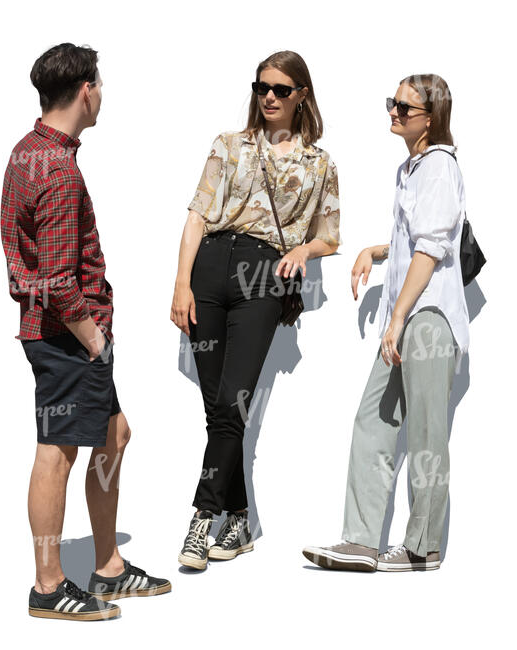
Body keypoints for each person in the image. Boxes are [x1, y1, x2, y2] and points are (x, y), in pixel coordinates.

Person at [0, 43, 170, 620]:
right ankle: (48, 586)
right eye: (100, 84)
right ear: (85, 90)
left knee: (114, 435)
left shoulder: (28, 152)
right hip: (68, 336)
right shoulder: (58, 168)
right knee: (57, 453)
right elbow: (55, 279)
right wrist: (94, 340)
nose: (102, 94)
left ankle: (109, 568)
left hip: (62, 334)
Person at [171, 50, 341, 570]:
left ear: (301, 96)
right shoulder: (228, 145)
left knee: (232, 401)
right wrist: (180, 283)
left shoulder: (319, 163)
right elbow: (198, 216)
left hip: (263, 277)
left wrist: (303, 250)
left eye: (281, 89)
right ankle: (240, 518)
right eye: (262, 86)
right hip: (209, 270)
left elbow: (330, 237)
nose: (269, 96)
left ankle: (202, 520)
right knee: (220, 409)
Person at [303, 74, 469, 572]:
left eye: (403, 106)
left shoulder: (439, 166)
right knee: (374, 419)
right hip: (408, 318)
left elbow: (432, 246)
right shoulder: (411, 168)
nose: (392, 112)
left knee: (424, 432)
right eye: (391, 102)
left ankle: (423, 547)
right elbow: (413, 237)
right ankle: (360, 541)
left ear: (430, 116)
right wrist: (374, 252)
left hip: (428, 319)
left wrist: (396, 318)